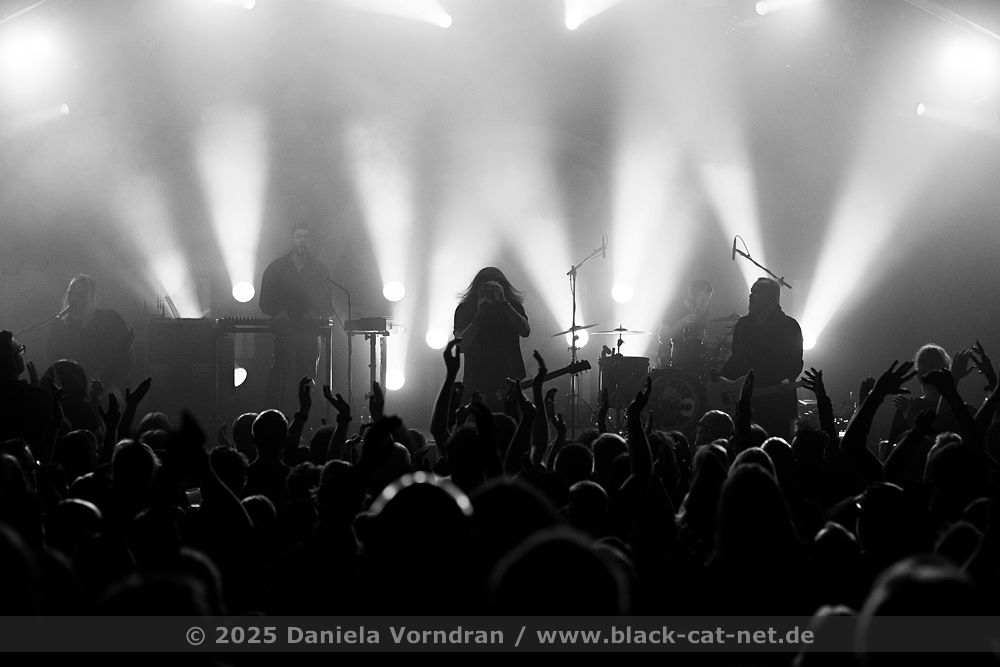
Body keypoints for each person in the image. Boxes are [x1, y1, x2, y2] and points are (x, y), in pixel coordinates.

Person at [259, 225, 333, 412]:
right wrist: (278, 311)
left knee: (308, 374)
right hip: (284, 329)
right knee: (279, 372)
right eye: (299, 236)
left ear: (311, 241)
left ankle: (308, 416)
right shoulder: (276, 268)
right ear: (291, 240)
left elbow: (327, 304)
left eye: (306, 237)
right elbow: (264, 301)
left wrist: (316, 313)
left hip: (309, 331)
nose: (302, 240)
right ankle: (273, 415)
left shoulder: (320, 270)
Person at [719, 277, 803, 439]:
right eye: (751, 292)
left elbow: (795, 362)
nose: (750, 296)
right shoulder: (744, 324)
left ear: (771, 298)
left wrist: (787, 379)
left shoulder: (789, 326)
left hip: (777, 403)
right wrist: (721, 378)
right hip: (747, 402)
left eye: (756, 292)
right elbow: (737, 358)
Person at [453, 267, 530, 410]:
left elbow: (525, 331)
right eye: (485, 289)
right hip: (476, 380)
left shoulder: (512, 306)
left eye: (494, 289)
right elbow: (460, 346)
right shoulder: (466, 309)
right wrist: (479, 317)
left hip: (509, 379)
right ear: (477, 289)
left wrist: (504, 303)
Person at [47, 274, 133, 394]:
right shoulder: (61, 327)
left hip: (105, 390)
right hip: (72, 392)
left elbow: (123, 357)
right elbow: (55, 360)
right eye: (71, 293)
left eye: (80, 295)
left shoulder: (108, 321)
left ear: (91, 298)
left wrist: (113, 385)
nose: (73, 299)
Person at [657, 279, 713, 372]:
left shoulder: (703, 311)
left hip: (692, 360)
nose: (705, 303)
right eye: (703, 299)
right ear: (692, 295)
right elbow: (662, 337)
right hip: (670, 359)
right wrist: (681, 323)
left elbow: (702, 336)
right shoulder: (675, 306)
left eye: (707, 300)